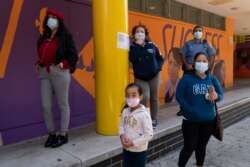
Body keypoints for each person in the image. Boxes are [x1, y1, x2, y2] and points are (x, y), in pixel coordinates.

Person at [35, 9, 79, 148]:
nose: (51, 20)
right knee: (46, 105)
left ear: (59, 21)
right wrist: (38, 63)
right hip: (45, 73)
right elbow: (42, 56)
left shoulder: (66, 36)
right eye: (49, 17)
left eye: (54, 17)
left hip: (60, 72)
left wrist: (64, 64)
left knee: (63, 105)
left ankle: (63, 134)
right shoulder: (43, 38)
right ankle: (52, 134)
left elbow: (74, 56)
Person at [176, 52, 223, 167]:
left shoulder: (212, 79)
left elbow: (220, 95)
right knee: (189, 146)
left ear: (208, 64)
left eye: (204, 61)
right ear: (194, 63)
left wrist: (216, 96)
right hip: (190, 120)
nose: (201, 63)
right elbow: (179, 96)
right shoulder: (186, 79)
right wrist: (188, 109)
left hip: (208, 120)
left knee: (202, 145)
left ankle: (199, 165)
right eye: (199, 60)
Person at [129, 24, 164, 128]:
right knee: (145, 97)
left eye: (142, 32)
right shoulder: (132, 47)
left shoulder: (152, 45)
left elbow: (160, 58)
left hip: (154, 76)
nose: (140, 33)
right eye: (137, 32)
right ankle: (144, 118)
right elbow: (133, 58)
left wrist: (157, 68)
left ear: (145, 34)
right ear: (134, 35)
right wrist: (138, 45)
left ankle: (153, 118)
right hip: (140, 77)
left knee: (154, 98)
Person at [177, 25, 216, 116]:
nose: (198, 32)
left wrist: (208, 66)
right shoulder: (188, 43)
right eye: (196, 31)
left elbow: (212, 56)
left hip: (203, 70)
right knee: (186, 89)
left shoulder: (206, 44)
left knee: (204, 88)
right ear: (193, 33)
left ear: (202, 32)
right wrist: (186, 65)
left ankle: (205, 105)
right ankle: (183, 108)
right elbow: (182, 54)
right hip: (190, 70)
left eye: (200, 30)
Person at [119, 83, 153, 167]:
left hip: (139, 151)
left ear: (140, 97)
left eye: (133, 95)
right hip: (126, 149)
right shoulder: (125, 111)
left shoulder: (144, 114)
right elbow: (121, 126)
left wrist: (133, 143)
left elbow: (149, 134)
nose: (130, 98)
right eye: (127, 95)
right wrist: (122, 136)